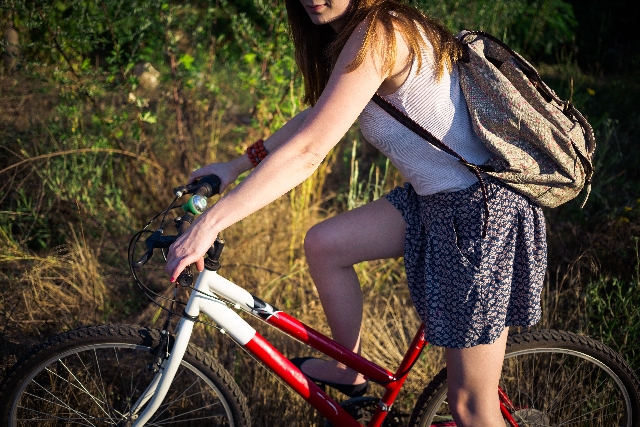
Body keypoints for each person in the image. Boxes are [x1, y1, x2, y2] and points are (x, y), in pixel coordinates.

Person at [165, 1, 547, 425]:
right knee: (326, 244)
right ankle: (350, 370)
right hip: (432, 203)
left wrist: (210, 223)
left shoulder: (381, 31)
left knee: (470, 408)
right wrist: (235, 166)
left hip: (478, 214)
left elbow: (309, 151)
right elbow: (317, 117)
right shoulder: (359, 33)